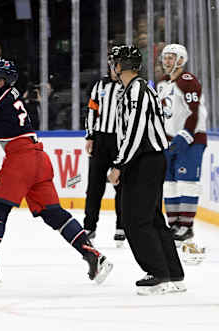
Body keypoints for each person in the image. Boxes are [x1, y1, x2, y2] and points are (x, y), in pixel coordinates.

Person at [0, 59, 113, 288]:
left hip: (21, 158)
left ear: (0, 79)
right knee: (53, 213)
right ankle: (93, 255)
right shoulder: (6, 94)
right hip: (37, 156)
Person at [107, 45, 185, 295]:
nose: (113, 67)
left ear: (120, 66)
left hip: (144, 161)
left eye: (115, 62)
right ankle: (173, 273)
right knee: (151, 218)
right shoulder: (133, 90)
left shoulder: (137, 91)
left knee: (135, 220)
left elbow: (135, 133)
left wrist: (119, 164)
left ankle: (158, 273)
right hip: (146, 160)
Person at [156, 44, 207, 261]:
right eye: (165, 57)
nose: (167, 61)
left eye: (171, 58)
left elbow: (194, 112)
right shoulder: (163, 85)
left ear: (181, 60)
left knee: (187, 182)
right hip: (169, 141)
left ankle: (186, 227)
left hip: (190, 139)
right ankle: (174, 224)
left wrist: (185, 136)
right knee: (170, 184)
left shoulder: (187, 80)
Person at [83, 53, 125, 247]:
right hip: (100, 140)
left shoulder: (131, 87)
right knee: (94, 186)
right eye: (113, 64)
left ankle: (121, 226)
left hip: (120, 141)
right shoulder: (100, 85)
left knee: (122, 186)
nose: (115, 68)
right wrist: (90, 136)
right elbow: (92, 111)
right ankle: (89, 226)